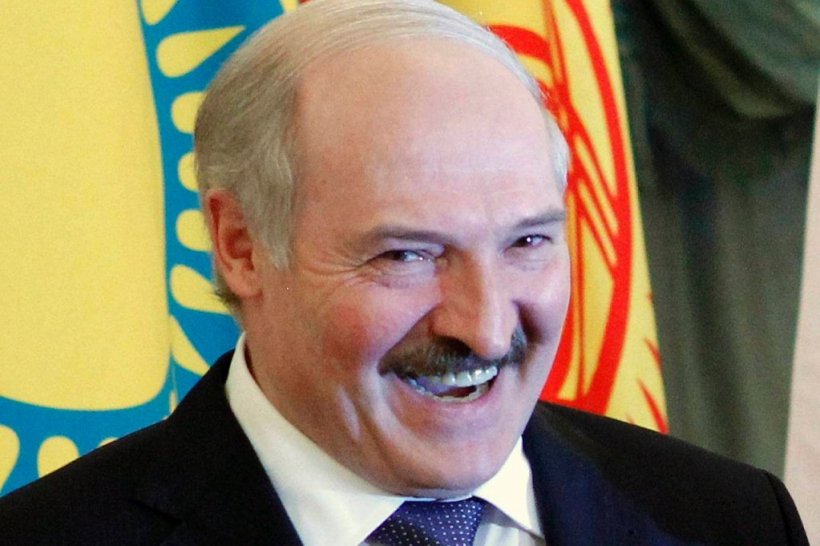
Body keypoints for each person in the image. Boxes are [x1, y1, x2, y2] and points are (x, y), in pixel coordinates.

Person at [0, 1, 808, 544]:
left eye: (527, 243)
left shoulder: (729, 522)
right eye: (407, 255)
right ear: (241, 247)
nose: (485, 327)